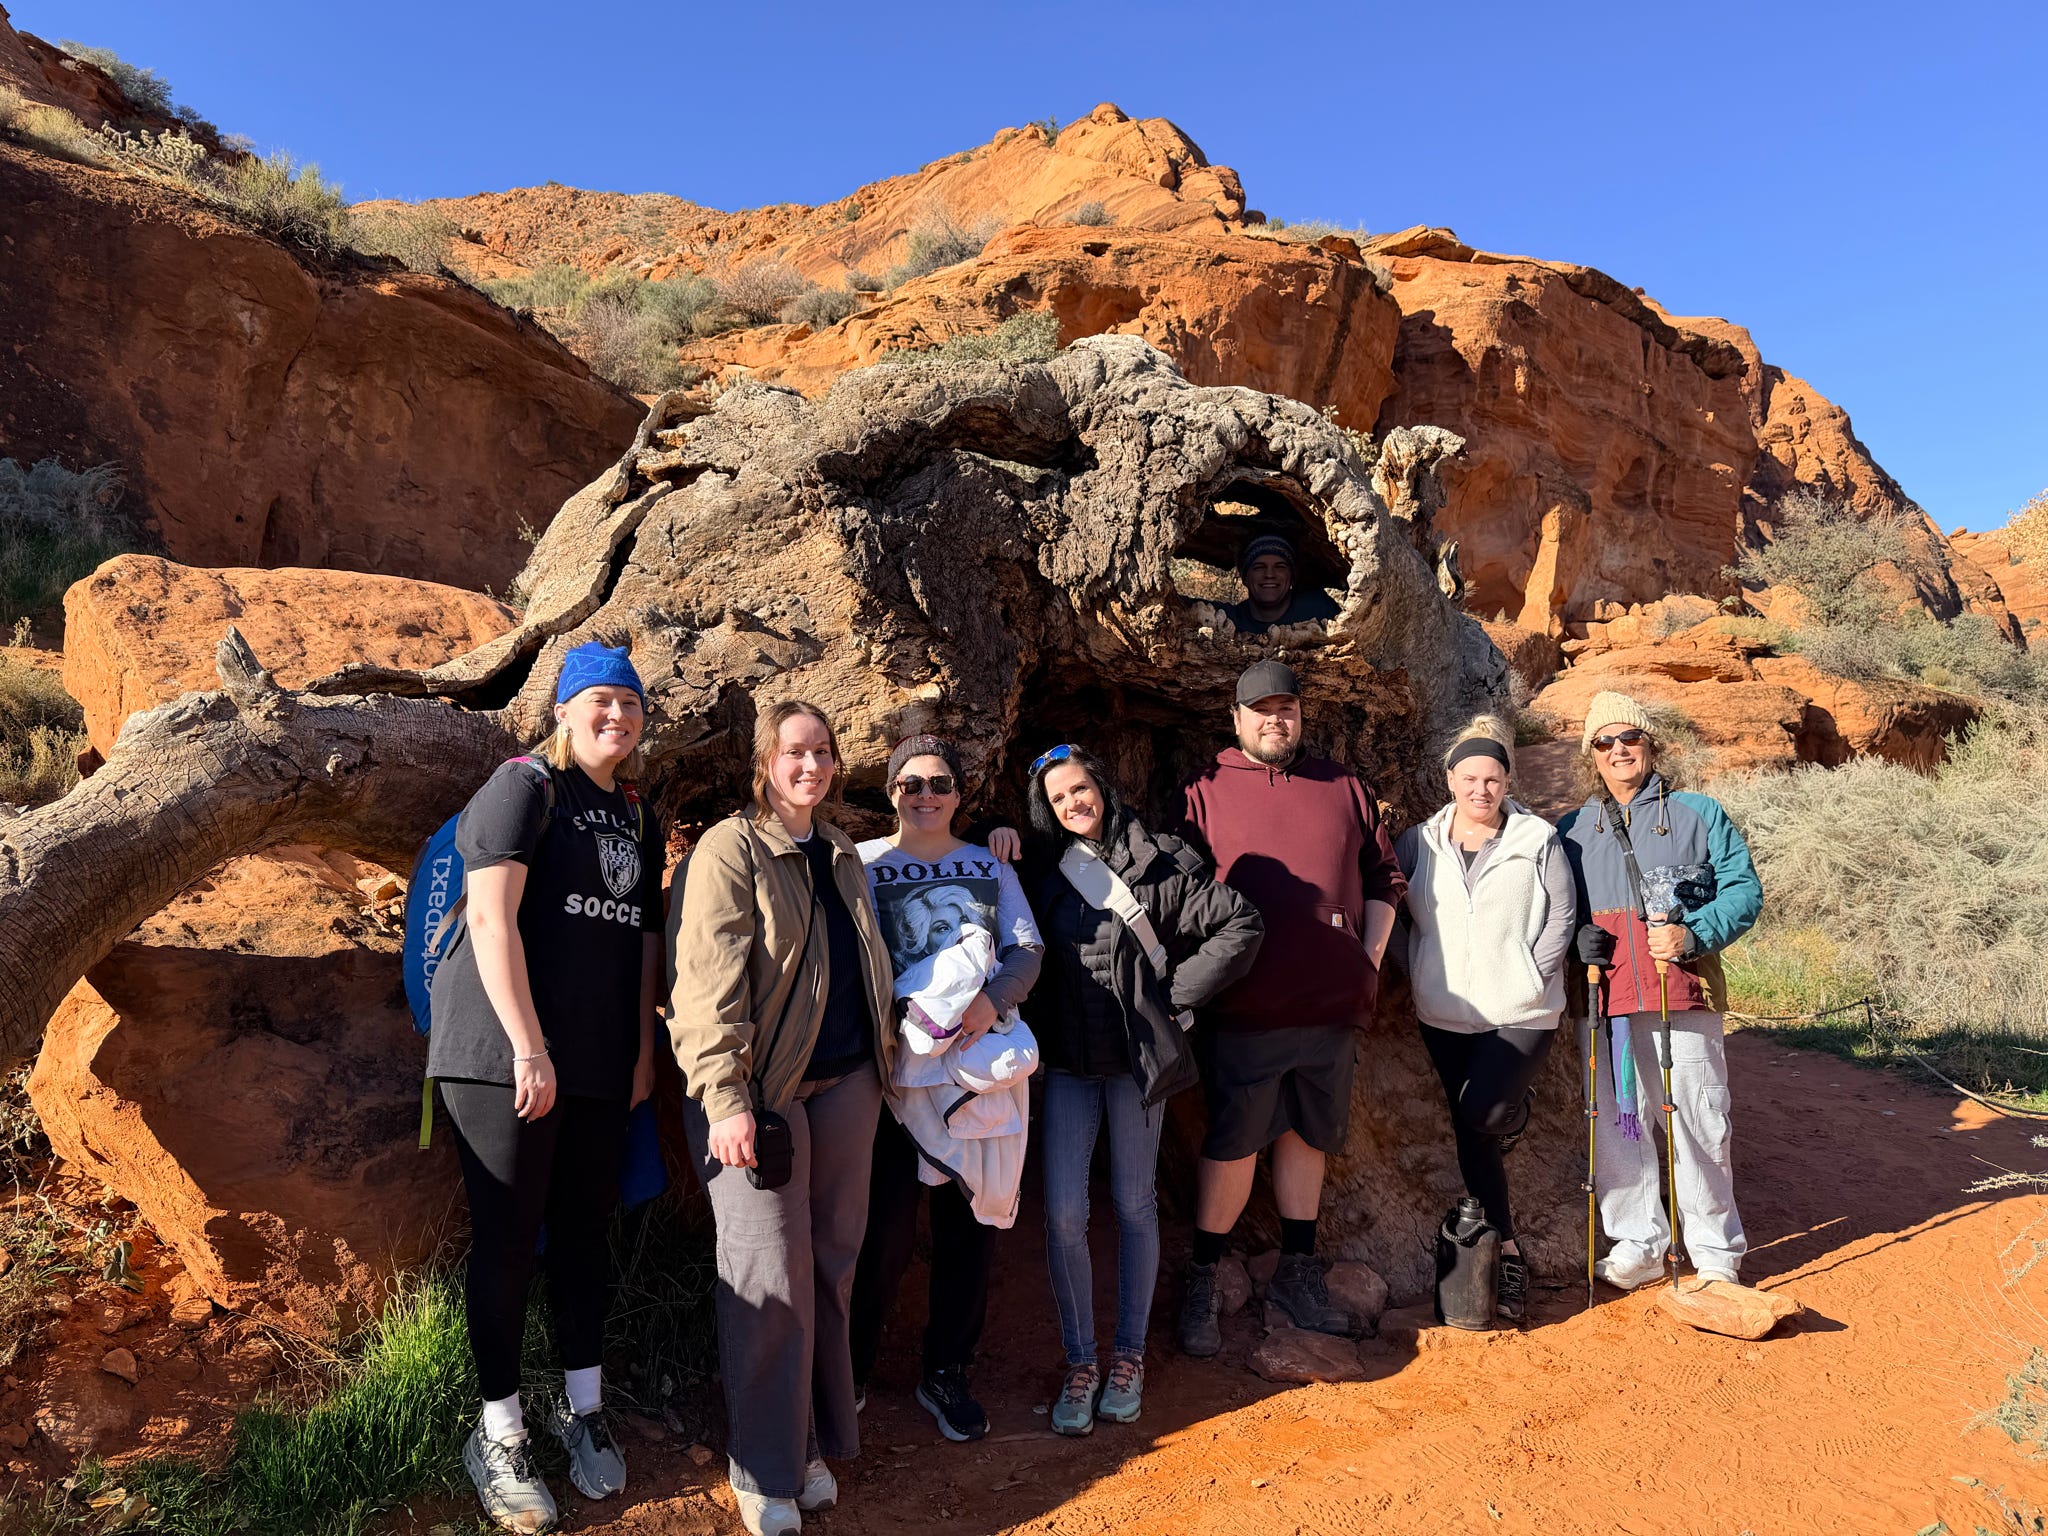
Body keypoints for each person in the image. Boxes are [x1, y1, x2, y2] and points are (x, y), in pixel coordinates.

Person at [426, 642, 665, 1534]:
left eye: (631, 703)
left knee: (584, 1241)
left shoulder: (637, 815)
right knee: (507, 1240)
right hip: (501, 1054)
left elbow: (641, 940)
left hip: (600, 1060)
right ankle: (498, 1432)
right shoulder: (525, 786)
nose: (617, 716)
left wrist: (640, 1051)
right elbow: (489, 917)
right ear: (563, 708)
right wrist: (529, 1047)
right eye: (599, 699)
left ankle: (583, 1407)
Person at [668, 699, 897, 1536]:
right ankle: (761, 1468)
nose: (812, 766)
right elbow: (704, 984)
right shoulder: (732, 848)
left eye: (825, 752)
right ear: (766, 762)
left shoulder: (839, 851)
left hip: (846, 1089)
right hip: (761, 1098)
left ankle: (807, 1441)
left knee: (830, 1269)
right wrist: (724, 1098)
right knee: (769, 1277)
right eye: (795, 752)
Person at [1021, 743, 1263, 1433]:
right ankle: (1080, 1361)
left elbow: (1241, 922)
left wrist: (1177, 1001)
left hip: (1134, 1067)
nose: (1075, 803)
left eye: (1082, 788)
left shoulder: (1157, 862)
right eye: (1060, 797)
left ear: (1102, 784)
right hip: (1067, 1065)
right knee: (1065, 1213)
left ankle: (1127, 1357)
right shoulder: (1044, 869)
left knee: (1133, 1205)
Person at [1172, 660, 1406, 1354]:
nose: (1278, 720)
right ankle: (1205, 1277)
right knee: (1235, 1141)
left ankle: (1296, 1274)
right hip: (1245, 1006)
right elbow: (1179, 896)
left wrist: (1367, 957)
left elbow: (1384, 877)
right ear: (1237, 719)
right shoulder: (1205, 791)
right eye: (1263, 710)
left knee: (1309, 1136)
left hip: (1333, 1005)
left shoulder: (1343, 785)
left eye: (1288, 709)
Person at [849, 733, 1043, 1444]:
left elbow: (1025, 948)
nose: (924, 795)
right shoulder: (861, 862)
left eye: (938, 783)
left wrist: (991, 1002)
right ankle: (851, 1369)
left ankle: (946, 1371)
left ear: (960, 794)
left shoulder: (987, 865)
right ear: (890, 791)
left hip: (971, 1069)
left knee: (971, 1226)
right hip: (893, 1077)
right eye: (910, 783)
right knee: (881, 1232)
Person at [1557, 691, 1762, 1292]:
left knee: (1700, 1121)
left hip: (1682, 994)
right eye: (1604, 741)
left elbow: (1744, 892)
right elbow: (1554, 910)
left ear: (1650, 744)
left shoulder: (1700, 813)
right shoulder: (1570, 829)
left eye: (1630, 738)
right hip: (1604, 1002)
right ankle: (1640, 1245)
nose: (1619, 749)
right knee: (1618, 1126)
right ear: (1590, 754)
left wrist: (1694, 933)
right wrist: (1578, 942)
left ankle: (1715, 1253)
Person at [1392, 715, 1575, 1324]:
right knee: (1472, 1132)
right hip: (1443, 1011)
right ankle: (1510, 1248)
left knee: (1484, 1114)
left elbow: (1561, 917)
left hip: (1520, 1008)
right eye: (1469, 777)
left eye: (1492, 779)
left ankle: (1513, 1113)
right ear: (1450, 780)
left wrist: (1531, 975)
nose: (1481, 790)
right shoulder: (1420, 841)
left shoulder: (1536, 838)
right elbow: (1390, 908)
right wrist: (1414, 966)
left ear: (1506, 781)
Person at [1221, 533, 1342, 636]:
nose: (1269, 574)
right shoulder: (1225, 619)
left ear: (1292, 576)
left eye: (1280, 567)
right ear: (1245, 577)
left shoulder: (1319, 609)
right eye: (1259, 567)